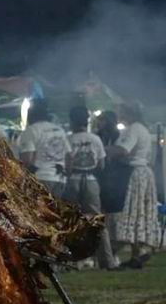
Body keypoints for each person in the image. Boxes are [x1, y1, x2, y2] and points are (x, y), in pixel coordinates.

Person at [105, 103, 159, 268]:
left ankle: (136, 252)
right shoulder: (141, 128)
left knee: (134, 211)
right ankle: (137, 253)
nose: (119, 115)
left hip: (135, 173)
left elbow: (124, 150)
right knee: (139, 212)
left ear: (128, 113)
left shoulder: (134, 129)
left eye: (121, 112)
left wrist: (103, 150)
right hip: (144, 172)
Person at [64, 106, 115, 269]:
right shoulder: (96, 139)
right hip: (91, 180)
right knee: (97, 220)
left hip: (73, 179)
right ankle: (107, 261)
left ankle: (73, 261)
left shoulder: (69, 139)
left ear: (72, 121)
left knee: (71, 219)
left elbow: (68, 165)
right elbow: (101, 164)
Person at [18, 99, 71, 197]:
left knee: (39, 210)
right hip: (60, 179)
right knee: (55, 210)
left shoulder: (31, 130)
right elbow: (68, 155)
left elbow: (27, 160)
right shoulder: (59, 130)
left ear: (31, 114)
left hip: (40, 178)